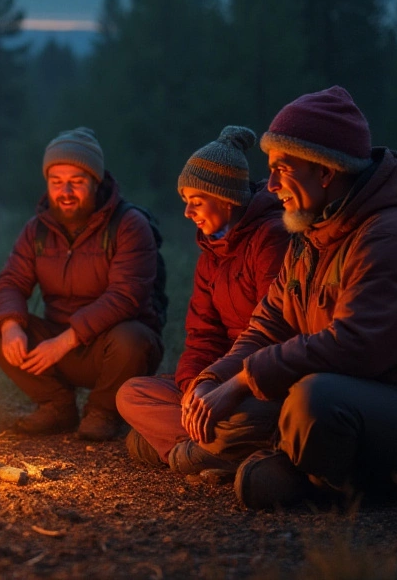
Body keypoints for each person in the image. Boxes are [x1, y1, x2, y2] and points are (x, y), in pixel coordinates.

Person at [182, 86, 397, 509]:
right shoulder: (313, 234)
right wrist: (213, 379)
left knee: (313, 400)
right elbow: (269, 324)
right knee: (235, 413)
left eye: (282, 169)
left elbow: (356, 346)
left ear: (325, 172)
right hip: (350, 401)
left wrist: (245, 380)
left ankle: (311, 478)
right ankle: (289, 462)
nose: (269, 185)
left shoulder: (395, 235)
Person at [115, 126, 287, 476]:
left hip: (257, 383)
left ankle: (188, 451)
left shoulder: (271, 239)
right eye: (185, 203)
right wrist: (195, 385)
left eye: (196, 201)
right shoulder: (210, 250)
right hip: (215, 382)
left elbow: (276, 333)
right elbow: (201, 335)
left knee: (149, 439)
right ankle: (218, 449)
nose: (187, 212)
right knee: (131, 394)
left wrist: (218, 384)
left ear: (226, 198)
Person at [0, 127, 164, 441]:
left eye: (76, 182)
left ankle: (104, 412)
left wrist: (66, 341)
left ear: (96, 182)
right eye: (56, 182)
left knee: (131, 338)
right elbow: (12, 280)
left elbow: (126, 296)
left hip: (112, 349)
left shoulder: (128, 224)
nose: (65, 191)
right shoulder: (37, 230)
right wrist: (12, 324)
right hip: (57, 345)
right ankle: (57, 405)